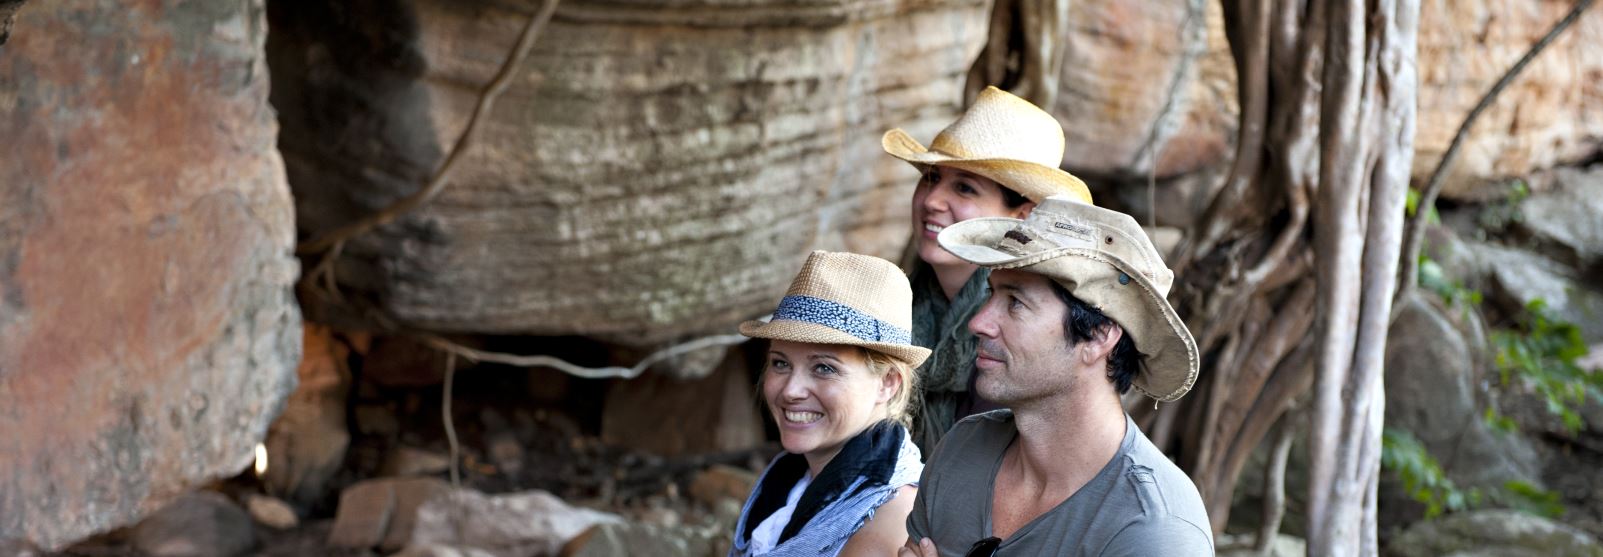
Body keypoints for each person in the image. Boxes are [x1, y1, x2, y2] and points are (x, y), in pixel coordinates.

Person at [901, 195, 1212, 556]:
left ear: (1098, 336)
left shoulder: (1153, 528)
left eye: (1015, 303)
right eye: (992, 295)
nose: (978, 322)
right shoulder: (962, 449)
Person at [881, 85, 1096, 453]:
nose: (932, 200)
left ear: (1021, 216)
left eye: (964, 188)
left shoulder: (1028, 331)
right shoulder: (895, 304)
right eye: (931, 177)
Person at [729, 250, 931, 557]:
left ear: (888, 382)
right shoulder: (790, 476)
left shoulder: (891, 518)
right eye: (780, 363)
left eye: (824, 368)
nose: (791, 391)